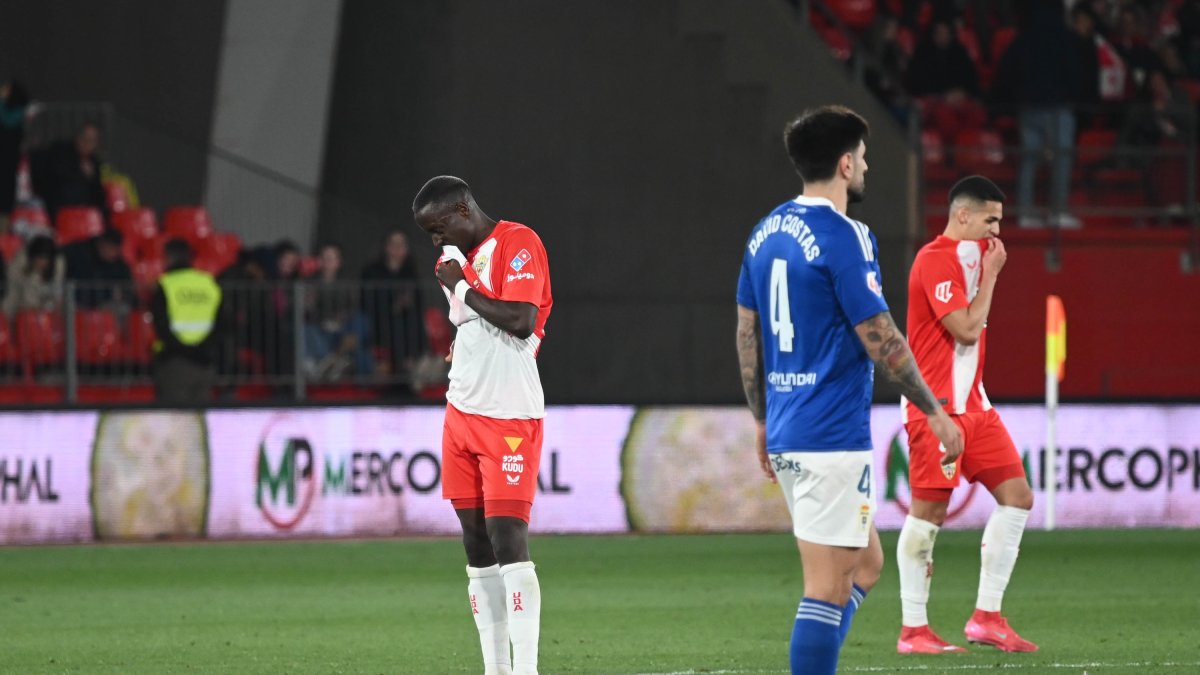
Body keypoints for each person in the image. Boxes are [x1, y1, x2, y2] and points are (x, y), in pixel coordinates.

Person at [734, 105, 963, 675]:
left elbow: (747, 332)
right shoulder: (845, 236)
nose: (867, 165)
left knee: (865, 565)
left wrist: (762, 420)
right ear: (843, 163)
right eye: (862, 156)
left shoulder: (764, 232)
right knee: (826, 588)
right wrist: (934, 411)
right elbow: (879, 335)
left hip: (791, 427)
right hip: (829, 436)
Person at [412, 175, 552, 675]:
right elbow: (474, 327)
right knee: (475, 541)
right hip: (461, 413)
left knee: (507, 536)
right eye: (428, 232)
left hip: (509, 415)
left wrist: (462, 287)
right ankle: (495, 668)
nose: (435, 239)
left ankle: (526, 669)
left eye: (438, 226)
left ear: (463, 208)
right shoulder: (452, 260)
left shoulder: (519, 243)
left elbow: (519, 320)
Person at [896, 175, 1037, 654]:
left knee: (1017, 495)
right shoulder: (935, 259)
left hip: (976, 406)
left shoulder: (976, 254)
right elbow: (967, 330)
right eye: (990, 219)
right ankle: (913, 630)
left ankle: (987, 617)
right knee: (928, 513)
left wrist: (988, 266)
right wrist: (994, 275)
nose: (997, 230)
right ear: (962, 215)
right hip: (936, 409)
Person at [992, 1, 1087, 228]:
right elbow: (1076, 73)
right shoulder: (1065, 39)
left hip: (1028, 108)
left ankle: (1025, 213)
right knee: (1061, 159)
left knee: (1029, 159)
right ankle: (1057, 211)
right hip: (1057, 108)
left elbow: (1006, 72)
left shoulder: (1023, 39)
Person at [150, 238, 223, 405]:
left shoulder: (165, 285)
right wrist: (203, 348)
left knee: (175, 420)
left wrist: (182, 350)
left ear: (168, 258)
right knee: (200, 419)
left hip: (175, 363)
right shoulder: (209, 283)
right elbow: (223, 324)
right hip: (204, 361)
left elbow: (161, 326)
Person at [361, 230, 425, 379]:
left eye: (401, 245)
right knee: (396, 325)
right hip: (379, 319)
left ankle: (416, 360)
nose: (397, 248)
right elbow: (368, 300)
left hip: (406, 319)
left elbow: (418, 300)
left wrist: (405, 303)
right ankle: (403, 367)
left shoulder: (411, 273)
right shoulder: (373, 271)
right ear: (386, 247)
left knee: (413, 320)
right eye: (393, 244)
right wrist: (393, 305)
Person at [303, 242, 372, 381]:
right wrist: (309, 304)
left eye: (331, 258)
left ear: (338, 262)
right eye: (324, 258)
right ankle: (331, 361)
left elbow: (353, 306)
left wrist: (342, 316)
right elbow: (308, 314)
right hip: (322, 327)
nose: (328, 262)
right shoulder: (311, 283)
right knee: (306, 329)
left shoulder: (346, 282)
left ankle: (339, 356)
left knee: (361, 320)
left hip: (343, 328)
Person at [29, 122, 106, 220]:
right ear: (78, 137)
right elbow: (53, 180)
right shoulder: (61, 152)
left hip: (86, 214)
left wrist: (91, 178)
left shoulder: (94, 163)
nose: (87, 143)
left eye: (91, 140)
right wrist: (79, 171)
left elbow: (98, 196)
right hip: (61, 209)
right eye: (84, 138)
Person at [61, 228, 133, 309]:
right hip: (78, 307)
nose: (109, 252)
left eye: (114, 249)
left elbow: (129, 294)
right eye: (107, 247)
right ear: (100, 243)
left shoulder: (121, 267)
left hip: (106, 311)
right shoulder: (78, 253)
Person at [3, 235, 63, 318]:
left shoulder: (57, 265)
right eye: (39, 258)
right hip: (20, 311)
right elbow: (13, 297)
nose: (42, 262)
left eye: (45, 258)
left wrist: (46, 309)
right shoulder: (19, 264)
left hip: (48, 314)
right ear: (32, 256)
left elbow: (56, 294)